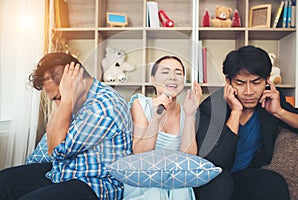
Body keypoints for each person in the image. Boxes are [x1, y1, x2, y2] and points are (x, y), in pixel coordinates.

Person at [0, 52, 133, 200]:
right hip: (63, 172)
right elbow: (51, 136)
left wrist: (66, 99)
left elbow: (55, 150)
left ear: (75, 81)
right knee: (3, 181)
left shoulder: (103, 107)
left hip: (94, 186)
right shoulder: (78, 99)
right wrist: (65, 99)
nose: (57, 104)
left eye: (58, 97)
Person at [193, 45, 298, 200]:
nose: (249, 91)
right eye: (241, 83)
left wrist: (279, 112)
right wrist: (236, 112)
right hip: (212, 182)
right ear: (228, 81)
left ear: (267, 80)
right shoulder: (210, 109)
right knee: (221, 182)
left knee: (273, 182)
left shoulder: (270, 100)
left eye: (256, 83)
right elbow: (215, 163)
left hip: (243, 179)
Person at [123, 55, 202, 200]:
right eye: (165, 72)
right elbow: (139, 152)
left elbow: (189, 158)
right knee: (154, 193)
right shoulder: (140, 104)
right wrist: (156, 117)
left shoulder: (188, 110)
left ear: (183, 81)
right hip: (144, 176)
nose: (173, 77)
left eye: (178, 73)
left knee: (180, 191)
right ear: (153, 79)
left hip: (174, 179)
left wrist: (190, 115)